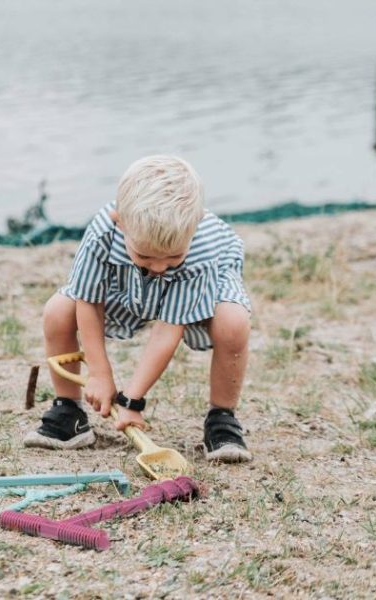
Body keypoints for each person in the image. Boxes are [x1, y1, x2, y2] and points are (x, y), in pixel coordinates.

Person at [24, 155, 252, 463]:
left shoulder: (201, 249)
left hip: (202, 283)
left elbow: (168, 328)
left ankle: (222, 418)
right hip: (127, 284)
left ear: (194, 228)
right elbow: (87, 301)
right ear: (120, 222)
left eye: (172, 258)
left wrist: (131, 399)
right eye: (145, 255)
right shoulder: (103, 231)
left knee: (233, 322)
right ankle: (68, 412)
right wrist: (100, 374)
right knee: (58, 311)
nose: (159, 267)